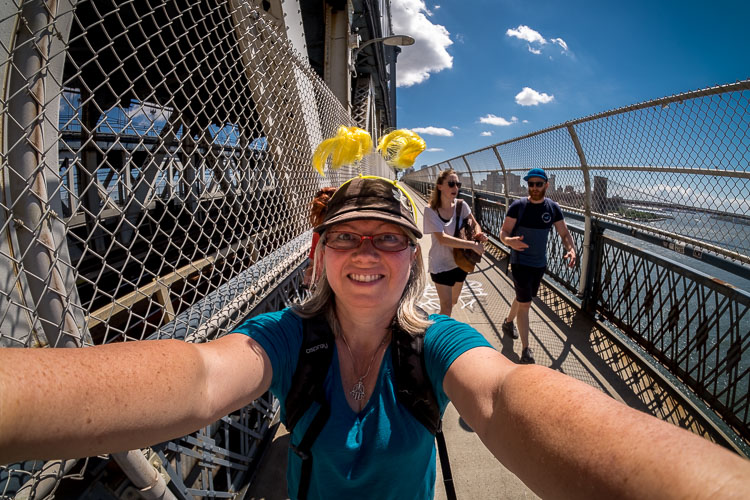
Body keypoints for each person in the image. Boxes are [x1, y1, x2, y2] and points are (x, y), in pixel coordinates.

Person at [2, 179, 750, 497]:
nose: (366, 253)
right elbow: (199, 380)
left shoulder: (437, 344)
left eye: (388, 239)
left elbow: (506, 396)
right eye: (346, 237)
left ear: (412, 255)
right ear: (318, 255)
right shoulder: (285, 338)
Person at [499, 168, 577, 364]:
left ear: (546, 185)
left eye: (538, 184)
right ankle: (526, 349)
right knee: (525, 304)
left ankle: (508, 323)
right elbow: (504, 232)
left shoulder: (552, 208)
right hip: (520, 262)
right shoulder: (518, 206)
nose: (534, 188)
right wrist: (510, 242)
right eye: (530, 184)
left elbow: (565, 234)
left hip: (539, 264)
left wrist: (571, 249)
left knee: (523, 297)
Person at [423, 169, 488, 316]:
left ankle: (440, 323)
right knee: (446, 307)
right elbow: (442, 238)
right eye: (451, 184)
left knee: (453, 302)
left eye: (457, 184)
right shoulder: (430, 211)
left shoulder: (461, 205)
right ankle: (439, 336)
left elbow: (474, 222)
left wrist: (478, 233)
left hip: (460, 262)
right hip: (440, 264)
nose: (455, 188)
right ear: (439, 186)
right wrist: (472, 245)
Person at [303, 186, 336, 288]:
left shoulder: (318, 231)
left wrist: (308, 275)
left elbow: (313, 258)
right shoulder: (346, 228)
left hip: (323, 280)